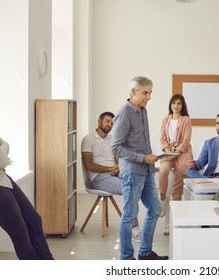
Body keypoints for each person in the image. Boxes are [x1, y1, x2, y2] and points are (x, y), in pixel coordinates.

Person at [0, 79, 54, 260]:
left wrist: (0, 149)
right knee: (20, 234)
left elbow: (4, 150)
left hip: (3, 179)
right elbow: (2, 160)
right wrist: (0, 150)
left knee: (34, 221)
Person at [110, 76, 168, 260]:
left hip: (147, 171)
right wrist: (143, 158)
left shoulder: (143, 111)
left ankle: (144, 252)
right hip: (132, 172)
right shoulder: (124, 113)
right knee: (129, 216)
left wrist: (152, 162)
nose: (149, 96)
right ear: (133, 92)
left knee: (155, 209)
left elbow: (142, 142)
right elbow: (116, 148)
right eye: (145, 92)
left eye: (150, 92)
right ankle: (126, 257)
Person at [81, 111, 141, 241]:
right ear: (99, 121)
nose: (109, 125)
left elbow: (118, 160)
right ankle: (133, 228)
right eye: (107, 121)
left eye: (112, 123)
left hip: (114, 173)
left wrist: (118, 168)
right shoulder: (88, 139)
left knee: (133, 183)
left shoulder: (113, 139)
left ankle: (131, 226)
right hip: (98, 178)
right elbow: (88, 165)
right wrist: (109, 169)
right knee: (128, 189)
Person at [158, 94, 192, 218]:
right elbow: (162, 139)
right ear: (170, 105)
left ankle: (176, 201)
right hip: (169, 150)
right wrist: (168, 151)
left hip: (182, 151)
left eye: (178, 103)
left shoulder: (186, 119)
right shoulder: (165, 120)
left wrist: (176, 152)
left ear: (182, 106)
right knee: (163, 170)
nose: (176, 106)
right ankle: (162, 199)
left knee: (181, 169)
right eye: (173, 103)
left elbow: (186, 140)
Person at [185, 112, 219, 179]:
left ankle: (209, 182)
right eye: (217, 123)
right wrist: (194, 165)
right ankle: (209, 181)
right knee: (189, 171)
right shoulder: (209, 143)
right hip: (210, 176)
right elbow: (200, 163)